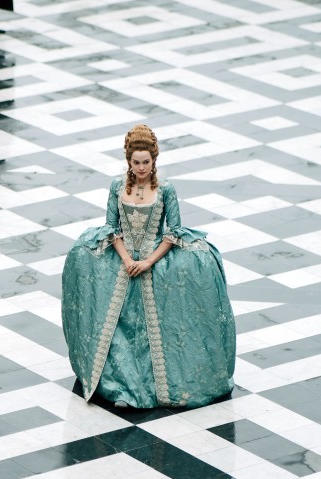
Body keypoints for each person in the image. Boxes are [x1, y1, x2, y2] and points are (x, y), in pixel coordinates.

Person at [61, 124, 236, 409]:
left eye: (146, 162)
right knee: (119, 324)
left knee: (157, 326)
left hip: (154, 259)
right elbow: (111, 226)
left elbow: (174, 231)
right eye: (136, 162)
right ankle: (122, 385)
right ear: (128, 161)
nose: (141, 167)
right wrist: (128, 260)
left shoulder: (166, 189)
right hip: (125, 259)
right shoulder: (118, 186)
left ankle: (156, 386)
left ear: (154, 160)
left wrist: (148, 261)